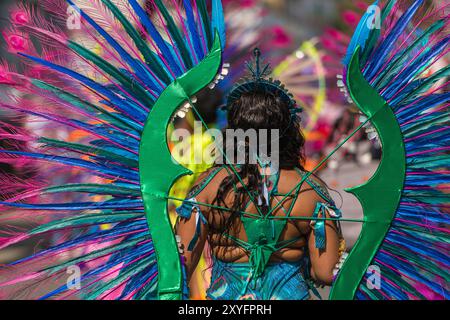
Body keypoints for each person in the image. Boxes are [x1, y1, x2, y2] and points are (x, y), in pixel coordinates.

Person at [175, 65, 344, 299]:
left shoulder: (208, 189)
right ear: (286, 132)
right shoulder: (309, 190)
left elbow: (179, 271)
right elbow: (327, 272)